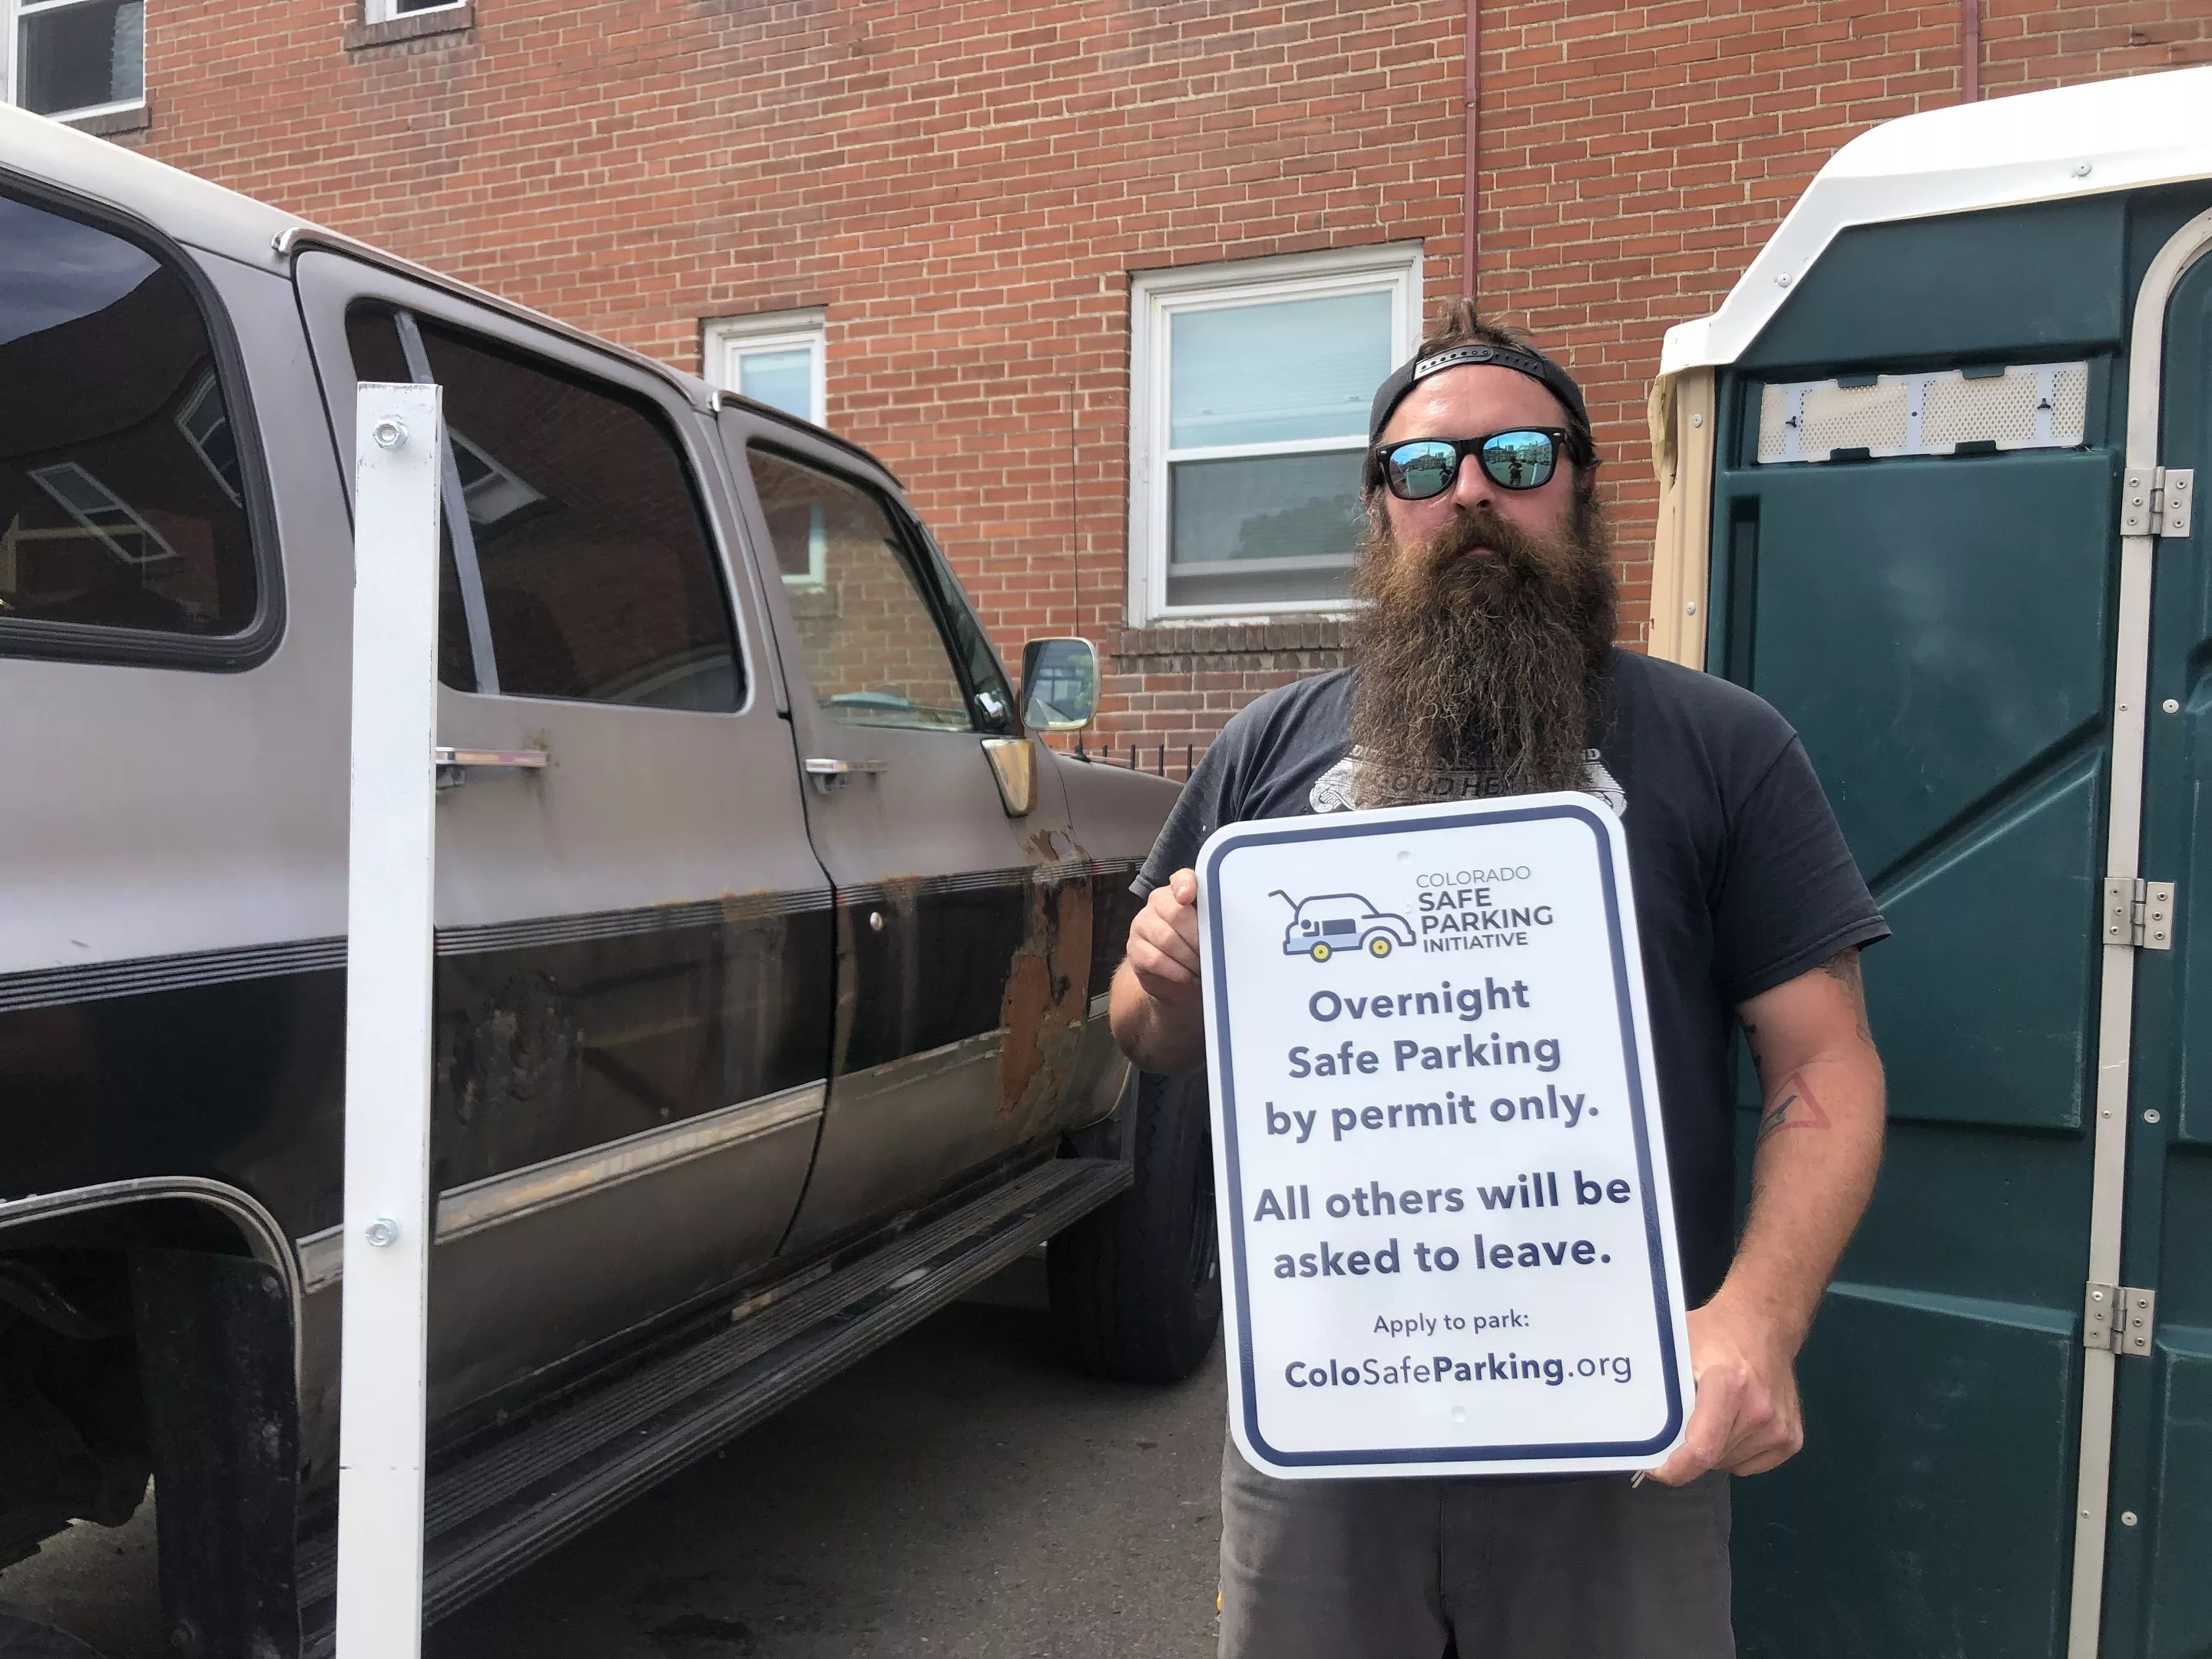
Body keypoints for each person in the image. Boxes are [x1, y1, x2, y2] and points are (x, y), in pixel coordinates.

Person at [1109, 302, 1889, 1659]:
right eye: (1423, 470)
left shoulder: (1725, 747)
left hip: (1623, 1426)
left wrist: (1759, 1321)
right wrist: (1162, 981)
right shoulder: (1264, 752)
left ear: (1581, 486)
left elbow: (1825, 1064)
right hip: (1328, 1423)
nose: (1468, 493)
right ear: (1381, 512)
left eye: (1515, 459)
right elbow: (1149, 1040)